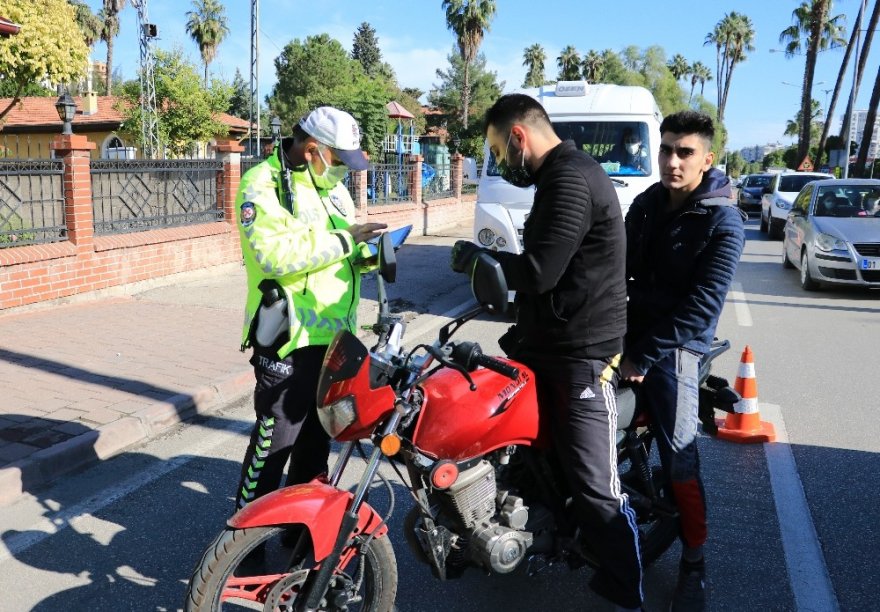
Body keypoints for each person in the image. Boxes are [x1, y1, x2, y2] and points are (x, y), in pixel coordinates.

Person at [450, 94, 643, 611]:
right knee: (513, 446)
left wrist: (479, 260)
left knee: (595, 486)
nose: (502, 162)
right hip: (544, 341)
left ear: (519, 136)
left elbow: (538, 272)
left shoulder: (570, 179)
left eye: (499, 149)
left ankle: (628, 591)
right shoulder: (556, 177)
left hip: (583, 352)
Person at [620, 110, 745, 612]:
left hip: (678, 347)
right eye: (666, 149)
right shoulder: (649, 203)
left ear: (706, 159)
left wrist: (643, 355)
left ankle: (694, 561)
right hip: (632, 332)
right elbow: (617, 267)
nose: (672, 160)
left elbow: (702, 308)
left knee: (680, 457)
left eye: (685, 152)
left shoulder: (723, 219)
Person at [233, 106, 386, 511]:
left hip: (334, 341)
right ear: (312, 149)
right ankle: (242, 549)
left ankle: (298, 539)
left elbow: (341, 247)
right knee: (272, 450)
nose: (344, 171)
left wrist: (368, 254)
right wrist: (346, 242)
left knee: (315, 450)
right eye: (338, 160)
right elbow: (274, 255)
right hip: (287, 340)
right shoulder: (262, 184)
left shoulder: (332, 187)